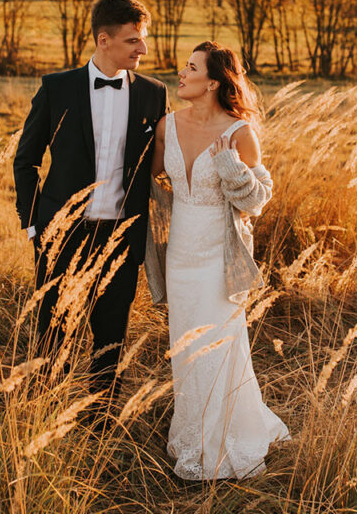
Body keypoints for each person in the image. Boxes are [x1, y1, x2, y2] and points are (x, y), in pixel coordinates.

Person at [12, 0, 169, 411]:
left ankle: (99, 421)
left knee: (111, 337)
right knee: (53, 332)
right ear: (104, 40)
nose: (144, 49)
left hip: (121, 236)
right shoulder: (56, 88)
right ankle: (44, 418)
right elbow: (25, 161)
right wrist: (35, 226)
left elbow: (160, 165)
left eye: (143, 39)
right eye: (134, 40)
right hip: (62, 234)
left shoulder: (154, 94)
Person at [144, 41, 290, 480]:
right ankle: (192, 437)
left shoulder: (240, 133)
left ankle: (227, 446)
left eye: (191, 68)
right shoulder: (166, 126)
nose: (181, 73)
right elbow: (148, 180)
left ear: (212, 82)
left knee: (220, 348)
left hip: (218, 257)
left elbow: (257, 200)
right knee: (185, 350)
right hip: (180, 255)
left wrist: (228, 163)